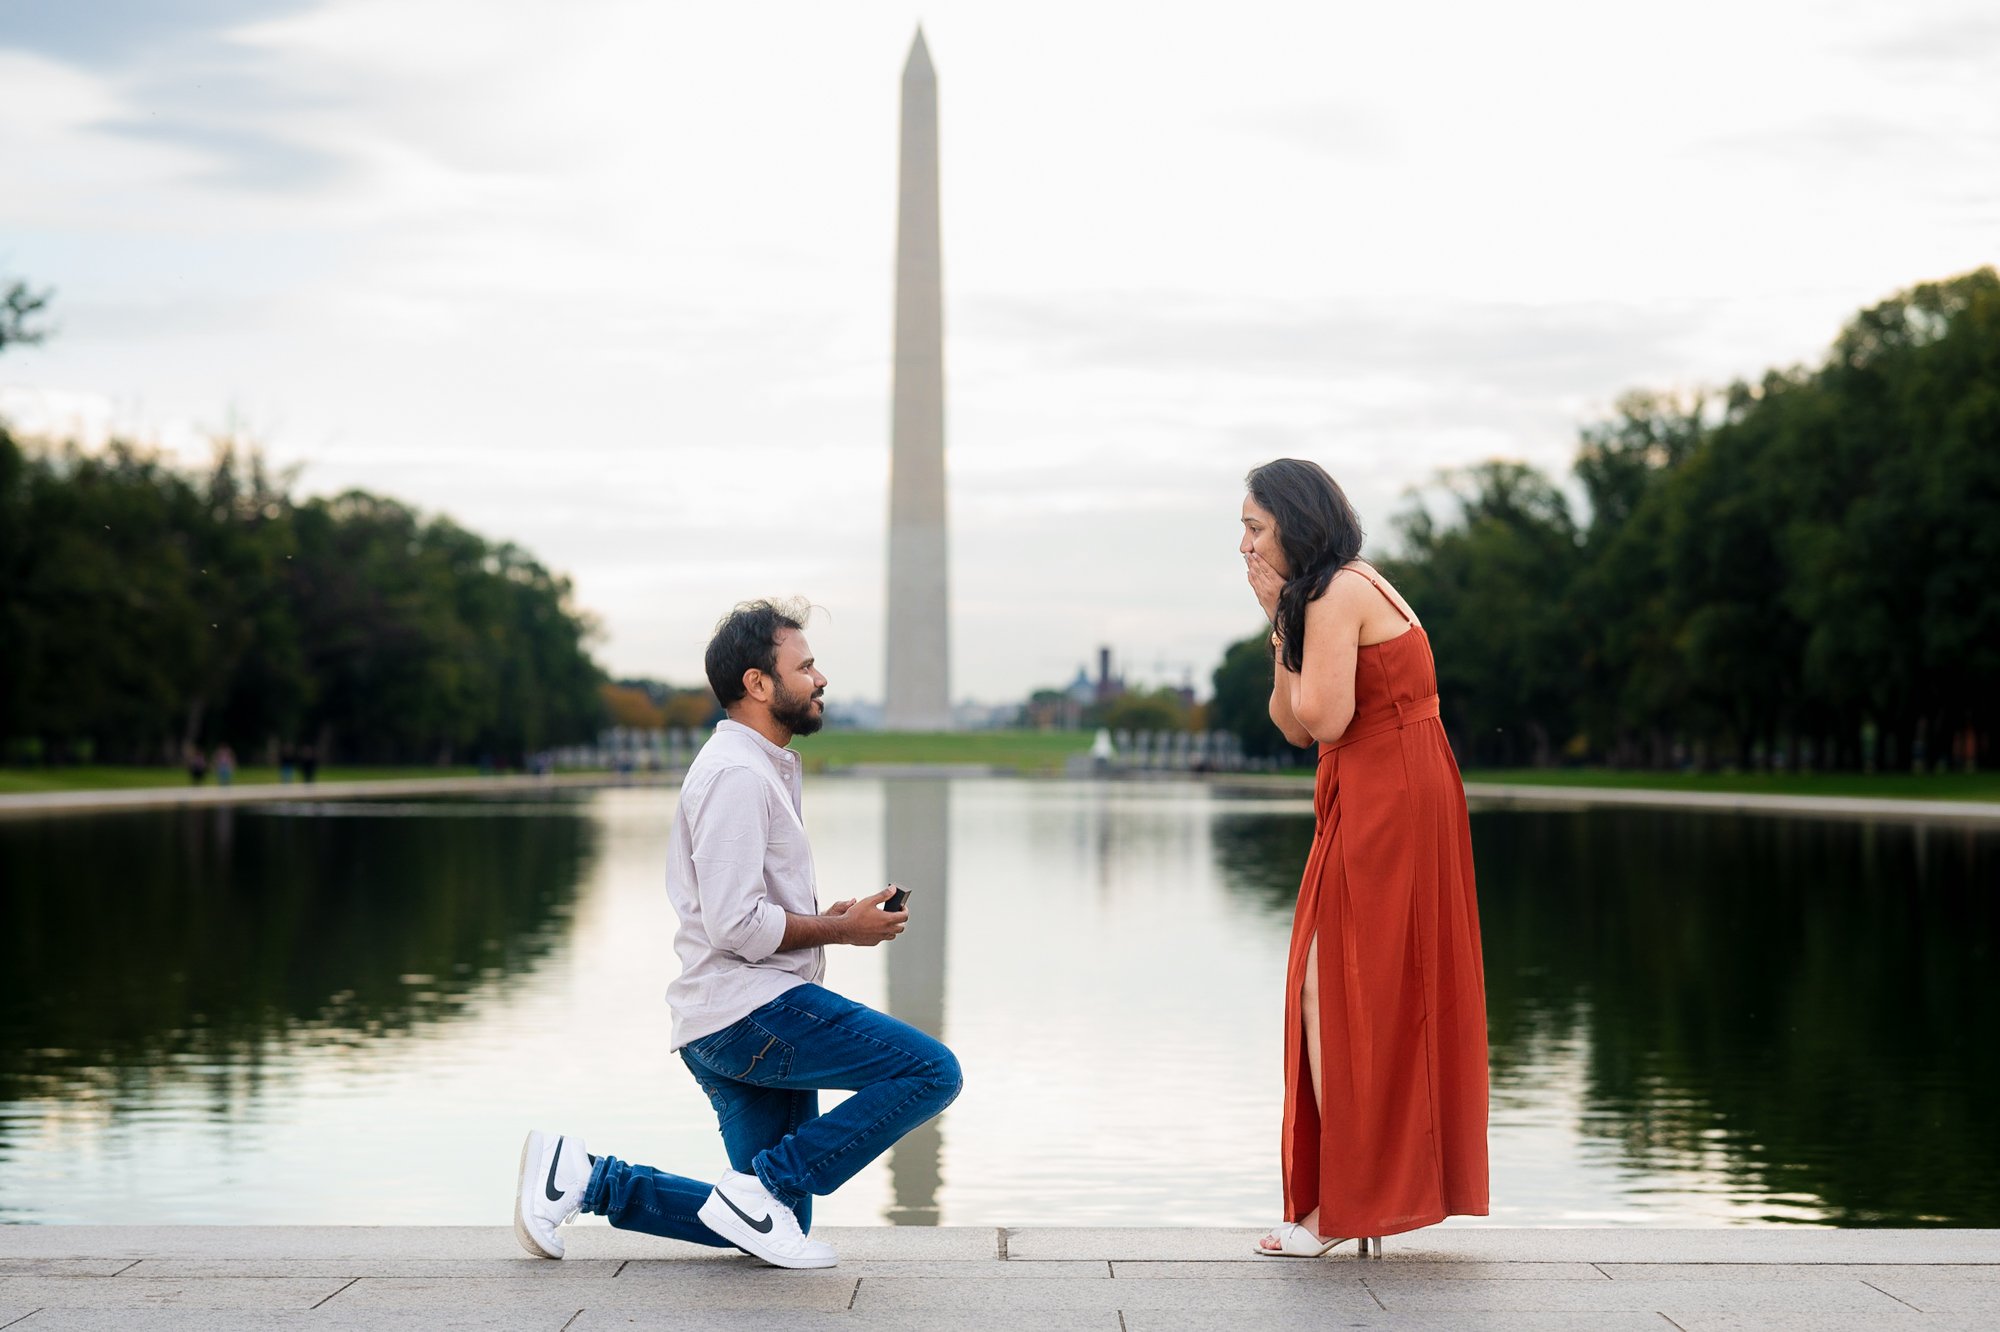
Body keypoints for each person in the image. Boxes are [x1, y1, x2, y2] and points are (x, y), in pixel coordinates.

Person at [515, 598, 962, 1270]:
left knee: (762, 1223)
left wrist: (834, 916)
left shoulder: (760, 768)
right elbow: (735, 925)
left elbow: (746, 909)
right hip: (750, 1015)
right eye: (805, 666)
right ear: (758, 683)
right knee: (931, 1070)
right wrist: (842, 931)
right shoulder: (737, 774)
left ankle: (581, 1177)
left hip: (736, 1015)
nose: (821, 679)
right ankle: (769, 1185)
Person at [1238, 459, 1489, 1257]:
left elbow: (1328, 715)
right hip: (1367, 790)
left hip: (1392, 795)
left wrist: (1285, 614)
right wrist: (1281, 627)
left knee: (1342, 988)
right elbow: (1292, 726)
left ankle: (1343, 1206)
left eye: (1253, 527)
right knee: (1330, 985)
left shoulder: (1343, 589)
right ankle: (1344, 1201)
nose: (1241, 544)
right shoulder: (1321, 598)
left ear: (1293, 523)